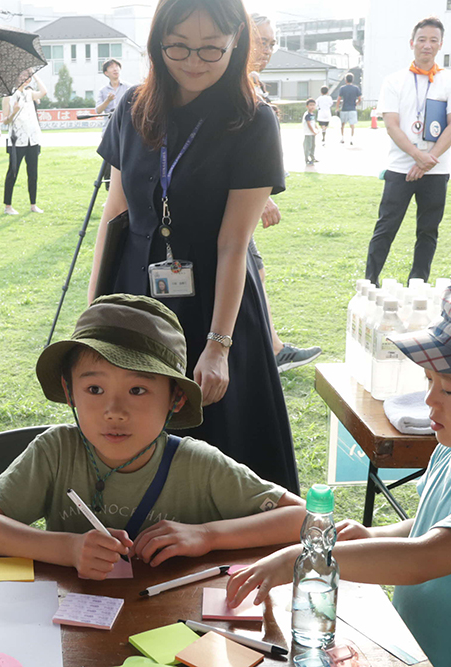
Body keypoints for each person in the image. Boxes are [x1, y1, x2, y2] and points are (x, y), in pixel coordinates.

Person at [228, 282, 451, 667]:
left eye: (448, 390)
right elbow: (438, 524)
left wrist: (307, 556)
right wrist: (374, 534)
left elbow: (423, 558)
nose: (429, 399)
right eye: (429, 380)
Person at [88, 0, 300, 493]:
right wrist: (95, 310)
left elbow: (233, 243)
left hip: (215, 300)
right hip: (135, 289)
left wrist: (218, 346)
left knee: (220, 441)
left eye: (211, 49)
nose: (193, 61)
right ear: (158, 42)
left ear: (236, 44)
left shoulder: (252, 120)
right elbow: (115, 214)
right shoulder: (133, 105)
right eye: (178, 46)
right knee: (132, 428)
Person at [0, 294, 306, 578]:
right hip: (70, 623)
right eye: (94, 388)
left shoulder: (198, 465)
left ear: (176, 398)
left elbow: (306, 520)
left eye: (138, 390)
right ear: (69, 390)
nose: (114, 411)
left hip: (172, 624)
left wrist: (207, 535)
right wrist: (70, 549)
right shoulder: (56, 451)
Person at [364, 16, 451, 287]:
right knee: (386, 227)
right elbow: (391, 125)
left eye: (433, 40)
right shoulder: (394, 81)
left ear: (441, 45)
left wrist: (426, 162)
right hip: (400, 168)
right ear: (412, 43)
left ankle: (417, 283)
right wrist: (417, 156)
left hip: (436, 170)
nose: (427, 45)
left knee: (428, 230)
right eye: (422, 39)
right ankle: (370, 282)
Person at [248, 15, 323, 374]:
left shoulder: (253, 81)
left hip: (251, 194)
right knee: (248, 271)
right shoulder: (233, 85)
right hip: (238, 199)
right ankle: (264, 351)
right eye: (260, 40)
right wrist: (261, 196)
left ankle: (272, 348)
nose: (266, 49)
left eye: (271, 43)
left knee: (255, 271)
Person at [2, 73, 47, 215]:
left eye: (28, 76)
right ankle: (8, 206)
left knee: (33, 173)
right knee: (13, 173)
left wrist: (36, 76)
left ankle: (33, 204)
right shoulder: (8, 96)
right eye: (24, 76)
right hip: (16, 140)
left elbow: (44, 92)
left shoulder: (29, 94)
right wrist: (13, 112)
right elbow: (5, 121)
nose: (27, 78)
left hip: (32, 139)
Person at [96, 59, 130, 190]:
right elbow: (98, 110)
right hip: (109, 130)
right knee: (109, 162)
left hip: (126, 130)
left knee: (126, 160)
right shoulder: (103, 91)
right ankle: (110, 194)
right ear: (106, 73)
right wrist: (108, 100)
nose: (115, 69)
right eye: (111, 67)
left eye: (117, 66)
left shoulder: (129, 87)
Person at [337, 72, 361, 145]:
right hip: (352, 108)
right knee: (352, 125)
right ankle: (352, 139)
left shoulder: (342, 88)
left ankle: (342, 138)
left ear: (345, 80)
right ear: (352, 80)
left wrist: (337, 108)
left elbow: (339, 99)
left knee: (342, 124)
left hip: (344, 108)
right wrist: (356, 103)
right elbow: (360, 98)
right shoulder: (356, 88)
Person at [302, 98, 318, 166]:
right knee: (308, 146)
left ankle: (312, 157)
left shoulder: (312, 114)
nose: (312, 106)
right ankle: (307, 159)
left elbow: (313, 122)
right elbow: (308, 124)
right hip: (308, 133)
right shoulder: (307, 115)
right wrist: (313, 131)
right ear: (307, 106)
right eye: (310, 105)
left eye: (313, 105)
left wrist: (316, 128)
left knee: (313, 146)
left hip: (312, 134)